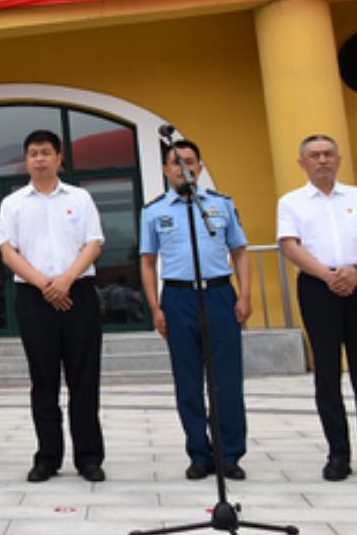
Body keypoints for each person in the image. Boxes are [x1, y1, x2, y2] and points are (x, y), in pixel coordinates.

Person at [276, 134, 357, 481]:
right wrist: (327, 276)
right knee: (327, 373)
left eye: (328, 154)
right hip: (317, 288)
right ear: (302, 163)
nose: (322, 160)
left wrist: (356, 271)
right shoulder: (291, 202)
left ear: (338, 159)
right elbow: (289, 245)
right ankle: (338, 454)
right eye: (314, 155)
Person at [0, 129, 107, 483]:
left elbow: (94, 244)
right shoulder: (13, 203)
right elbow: (7, 251)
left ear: (60, 158)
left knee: (84, 379)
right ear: (26, 160)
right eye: (33, 153)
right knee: (43, 381)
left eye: (46, 152)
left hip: (79, 293)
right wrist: (45, 283)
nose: (40, 158)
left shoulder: (81, 197)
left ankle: (89, 457)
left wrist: (65, 280)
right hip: (34, 297)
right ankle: (47, 457)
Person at [140, 139, 252, 481]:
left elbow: (241, 252)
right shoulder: (154, 211)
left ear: (200, 167)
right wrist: (155, 307)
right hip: (178, 298)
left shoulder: (221, 205)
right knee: (188, 382)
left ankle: (230, 453)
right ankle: (199, 453)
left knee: (227, 381)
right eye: (175, 162)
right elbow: (147, 262)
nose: (183, 168)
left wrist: (244, 295)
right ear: (164, 169)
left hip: (219, 294)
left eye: (189, 162)